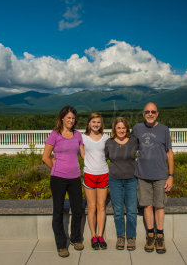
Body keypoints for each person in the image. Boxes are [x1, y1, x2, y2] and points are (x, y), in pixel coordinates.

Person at [42, 105, 84, 258]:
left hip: (75, 178)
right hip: (58, 179)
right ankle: (61, 244)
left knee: (78, 209)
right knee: (58, 211)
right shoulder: (55, 134)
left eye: (73, 118)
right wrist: (56, 168)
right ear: (62, 119)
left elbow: (84, 155)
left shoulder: (78, 135)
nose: (71, 120)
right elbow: (45, 157)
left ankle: (76, 238)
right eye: (68, 118)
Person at [131, 102, 174, 254]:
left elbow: (169, 153)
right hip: (142, 175)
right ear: (143, 113)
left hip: (161, 175)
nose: (150, 114)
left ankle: (160, 235)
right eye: (147, 112)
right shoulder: (136, 128)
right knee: (146, 205)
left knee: (159, 206)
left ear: (157, 113)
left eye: (153, 112)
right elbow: (130, 147)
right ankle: (150, 234)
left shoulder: (164, 129)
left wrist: (171, 176)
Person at [104, 117, 139, 251]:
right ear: (114, 129)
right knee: (118, 211)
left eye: (123, 128)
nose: (121, 130)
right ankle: (120, 236)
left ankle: (131, 237)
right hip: (115, 180)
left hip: (131, 179)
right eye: (118, 128)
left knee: (131, 210)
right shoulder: (109, 143)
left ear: (127, 129)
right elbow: (105, 158)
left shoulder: (134, 141)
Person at [81, 112, 109, 250]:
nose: (96, 124)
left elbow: (108, 154)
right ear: (89, 123)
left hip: (103, 174)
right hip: (89, 174)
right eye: (93, 122)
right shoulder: (83, 138)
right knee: (91, 207)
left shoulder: (106, 137)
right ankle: (93, 236)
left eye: (98, 122)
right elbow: (81, 153)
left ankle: (100, 235)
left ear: (101, 124)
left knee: (101, 206)